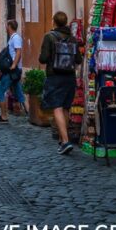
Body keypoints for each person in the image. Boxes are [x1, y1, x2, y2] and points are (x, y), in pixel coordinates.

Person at [39, 11, 81, 155]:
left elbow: (43, 58)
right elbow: (79, 60)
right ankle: (64, 140)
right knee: (66, 108)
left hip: (54, 76)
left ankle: (65, 140)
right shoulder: (73, 39)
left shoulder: (49, 37)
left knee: (57, 107)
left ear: (54, 22)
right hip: (69, 77)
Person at [0, 20, 26, 124]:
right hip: (14, 70)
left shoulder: (15, 38)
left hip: (13, 71)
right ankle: (29, 113)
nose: (5, 27)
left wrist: (14, 65)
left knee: (0, 92)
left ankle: (4, 116)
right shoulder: (13, 38)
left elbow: (18, 52)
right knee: (19, 93)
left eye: (6, 25)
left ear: (10, 26)